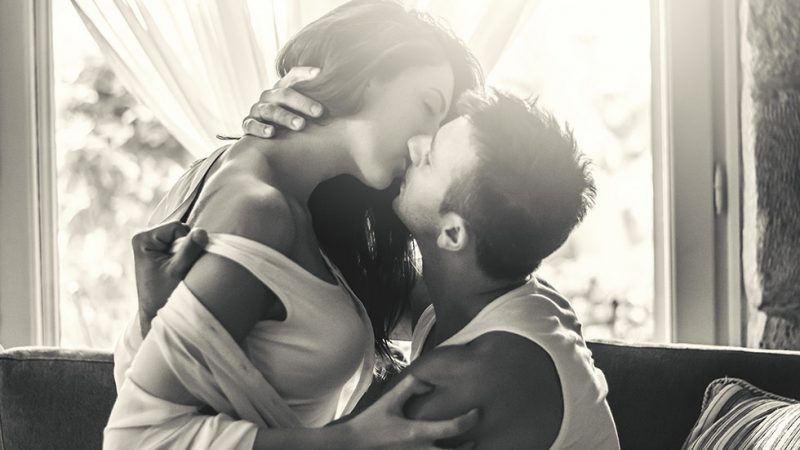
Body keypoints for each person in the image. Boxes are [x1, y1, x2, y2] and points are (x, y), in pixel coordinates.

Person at [133, 89, 621, 449]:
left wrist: (161, 315)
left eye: (429, 159)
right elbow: (347, 294)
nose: (414, 147)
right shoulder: (500, 297)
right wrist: (293, 135)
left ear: (453, 234)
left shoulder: (462, 379)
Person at [105, 1, 483, 448]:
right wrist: (352, 439)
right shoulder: (256, 208)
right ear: (369, 73)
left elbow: (433, 302)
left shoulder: (306, 201)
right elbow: (138, 437)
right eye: (428, 105)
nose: (425, 141)